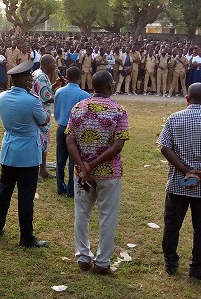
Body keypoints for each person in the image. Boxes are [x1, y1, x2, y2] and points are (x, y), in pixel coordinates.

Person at [157, 83, 201, 279]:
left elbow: (165, 147)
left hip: (177, 183)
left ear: (187, 98)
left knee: (172, 224)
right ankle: (197, 267)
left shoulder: (174, 119)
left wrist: (185, 170)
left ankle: (170, 262)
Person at [66, 71, 129, 275]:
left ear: (92, 86)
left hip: (81, 172)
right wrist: (92, 165)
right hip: (109, 173)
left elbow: (69, 140)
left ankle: (83, 257)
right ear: (110, 86)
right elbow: (118, 145)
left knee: (81, 214)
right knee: (107, 216)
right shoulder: (119, 110)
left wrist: (83, 166)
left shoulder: (78, 108)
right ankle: (102, 262)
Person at [0, 60, 50, 247]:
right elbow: (43, 120)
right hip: (27, 155)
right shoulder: (32, 100)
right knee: (26, 196)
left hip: (9, 150)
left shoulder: (2, 97)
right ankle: (26, 237)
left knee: (4, 192)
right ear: (26, 82)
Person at [53, 67, 90, 197]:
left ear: (66, 77)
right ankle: (71, 189)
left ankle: (59, 187)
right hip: (75, 130)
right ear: (80, 78)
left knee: (60, 159)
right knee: (74, 160)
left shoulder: (59, 92)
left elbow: (56, 110)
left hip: (61, 126)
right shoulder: (84, 95)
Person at [32, 55, 57, 180]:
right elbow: (46, 97)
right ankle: (42, 171)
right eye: (53, 64)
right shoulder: (41, 76)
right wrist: (62, 96)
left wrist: (55, 85)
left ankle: (42, 169)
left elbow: (44, 92)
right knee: (42, 142)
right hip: (42, 114)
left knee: (40, 141)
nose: (55, 66)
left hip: (38, 112)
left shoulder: (38, 73)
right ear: (47, 63)